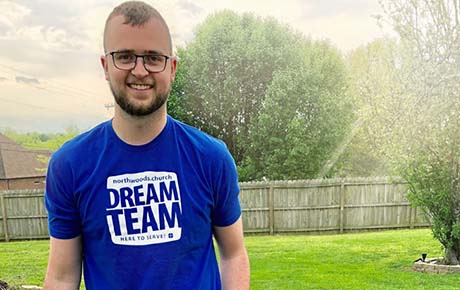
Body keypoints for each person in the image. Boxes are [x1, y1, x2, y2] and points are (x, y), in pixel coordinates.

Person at [42, 1, 250, 289]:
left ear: (172, 68)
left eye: (153, 58)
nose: (140, 71)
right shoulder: (70, 165)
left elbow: (233, 254)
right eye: (125, 56)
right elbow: (62, 276)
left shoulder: (211, 157)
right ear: (105, 66)